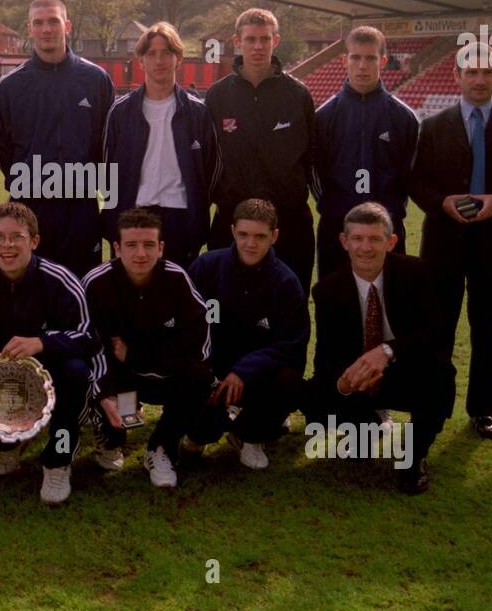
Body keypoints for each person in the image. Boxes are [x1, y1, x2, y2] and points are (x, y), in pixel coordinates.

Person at [408, 44, 492, 439]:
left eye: (487, 72)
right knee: (439, 329)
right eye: (472, 72)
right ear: (457, 77)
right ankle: (436, 402)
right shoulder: (432, 125)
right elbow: (416, 181)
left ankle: (482, 410)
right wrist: (440, 202)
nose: (479, 79)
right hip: (444, 244)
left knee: (487, 332)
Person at [0, 202, 101, 504]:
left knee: (75, 372)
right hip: (0, 384)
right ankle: (8, 443)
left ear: (34, 241)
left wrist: (43, 342)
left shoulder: (60, 280)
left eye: (17, 237)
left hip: (53, 376)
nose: (7, 246)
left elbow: (89, 338)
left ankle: (58, 461)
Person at [307, 203, 455, 494]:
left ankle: (413, 455)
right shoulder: (326, 290)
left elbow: (434, 334)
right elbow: (326, 357)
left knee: (441, 376)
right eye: (358, 238)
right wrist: (344, 383)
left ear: (391, 242)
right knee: (318, 398)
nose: (365, 247)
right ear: (344, 241)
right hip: (359, 377)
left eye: (375, 239)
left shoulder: (416, 272)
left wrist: (387, 351)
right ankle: (367, 424)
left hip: (404, 370)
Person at [82, 208, 215, 488]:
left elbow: (197, 348)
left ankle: (161, 447)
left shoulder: (177, 279)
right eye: (131, 245)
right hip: (122, 380)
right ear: (116, 248)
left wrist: (137, 355)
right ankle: (112, 439)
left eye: (149, 245)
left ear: (161, 247)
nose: (140, 254)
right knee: (116, 424)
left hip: (165, 377)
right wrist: (104, 394)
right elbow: (89, 348)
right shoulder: (96, 283)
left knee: (200, 377)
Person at [0, 0, 114, 278]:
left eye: (53, 21)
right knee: (32, 289)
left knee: (83, 286)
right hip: (30, 206)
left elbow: (109, 145)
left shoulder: (95, 79)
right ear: (29, 29)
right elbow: (1, 148)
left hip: (81, 206)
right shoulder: (11, 86)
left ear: (67, 26)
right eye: (39, 23)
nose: (46, 29)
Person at [186, 199, 309, 471]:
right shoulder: (207, 266)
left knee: (290, 380)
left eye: (260, 236)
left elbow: (292, 345)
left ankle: (250, 435)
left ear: (274, 236)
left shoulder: (286, 282)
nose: (250, 243)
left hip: (257, 376)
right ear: (232, 231)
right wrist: (207, 372)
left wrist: (244, 370)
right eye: (243, 234)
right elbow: (186, 327)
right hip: (213, 371)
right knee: (196, 418)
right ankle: (199, 434)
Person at [205, 8, 317, 294]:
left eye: (265, 39)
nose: (258, 46)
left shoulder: (298, 94)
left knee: (290, 305)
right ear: (237, 41)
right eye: (251, 39)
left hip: (289, 222)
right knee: (226, 308)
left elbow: (312, 156)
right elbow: (207, 158)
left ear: (275, 41)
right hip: (231, 220)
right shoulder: (217, 95)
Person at [102, 22, 218, 269]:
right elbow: (106, 170)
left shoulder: (197, 112)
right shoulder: (121, 112)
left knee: (177, 299)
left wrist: (197, 209)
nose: (159, 60)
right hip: (134, 215)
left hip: (181, 218)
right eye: (151, 54)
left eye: (166, 52)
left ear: (179, 59)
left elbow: (210, 169)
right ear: (141, 62)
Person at [313, 25, 418, 279]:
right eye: (355, 57)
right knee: (335, 306)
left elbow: (409, 176)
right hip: (337, 229)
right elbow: (315, 173)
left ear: (382, 61)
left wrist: (389, 211)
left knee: (388, 306)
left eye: (370, 58)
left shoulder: (403, 117)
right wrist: (334, 207)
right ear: (344, 60)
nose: (362, 65)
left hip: (386, 230)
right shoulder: (323, 117)